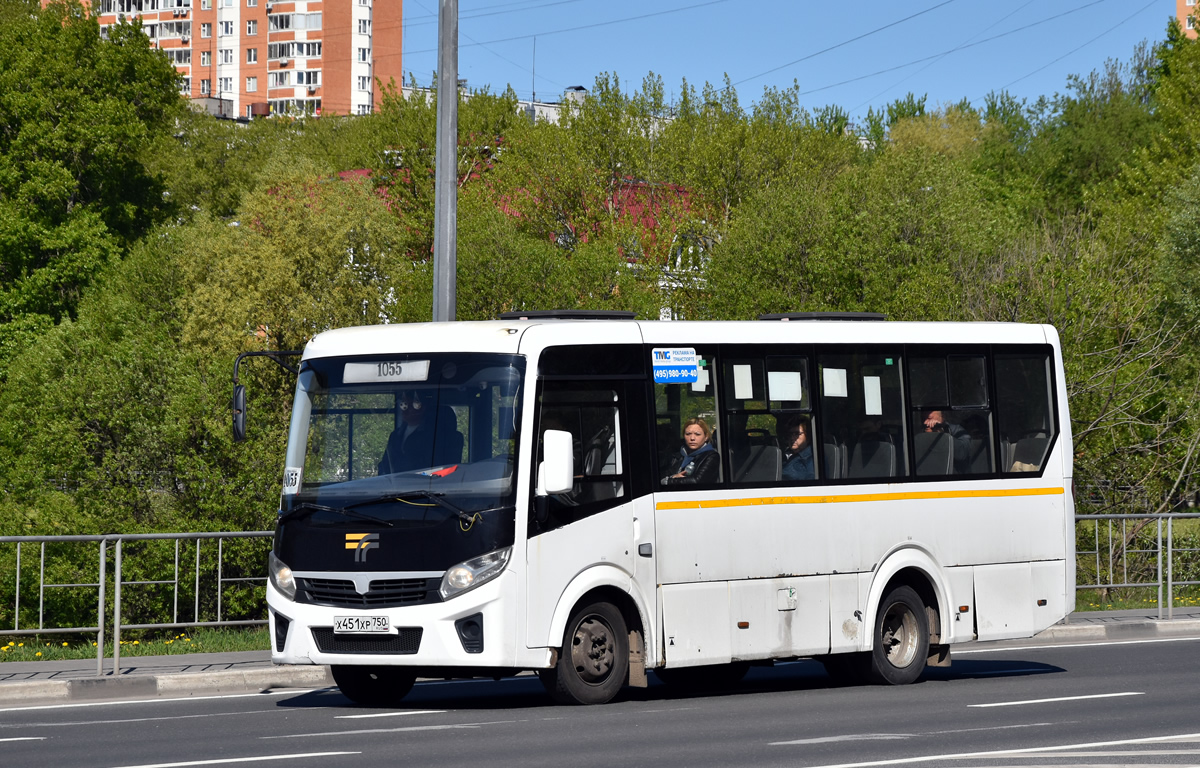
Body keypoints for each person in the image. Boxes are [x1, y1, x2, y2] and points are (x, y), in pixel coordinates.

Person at [377, 391, 434, 475]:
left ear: (422, 408)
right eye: (403, 405)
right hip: (394, 485)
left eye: (411, 406)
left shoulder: (431, 435)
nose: (405, 410)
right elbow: (386, 462)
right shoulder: (395, 435)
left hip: (421, 484)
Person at [661, 418, 720, 485]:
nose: (692, 438)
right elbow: (660, 476)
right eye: (688, 434)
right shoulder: (677, 454)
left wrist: (668, 481)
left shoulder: (711, 456)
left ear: (706, 437)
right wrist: (672, 477)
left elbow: (696, 481)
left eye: (697, 434)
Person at [779, 414, 814, 481]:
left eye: (797, 434)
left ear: (808, 436)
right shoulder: (783, 454)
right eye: (790, 434)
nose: (792, 438)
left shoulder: (812, 459)